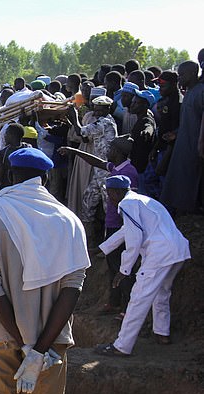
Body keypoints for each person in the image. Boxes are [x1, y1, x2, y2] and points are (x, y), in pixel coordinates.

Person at [0, 148, 90, 394]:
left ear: (11, 176)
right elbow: (73, 289)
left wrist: (24, 344)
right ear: (45, 179)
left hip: (0, 333)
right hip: (51, 338)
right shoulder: (70, 222)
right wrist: (39, 350)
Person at [96, 175, 190, 356]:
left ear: (115, 192)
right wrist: (103, 248)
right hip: (178, 251)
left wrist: (124, 269)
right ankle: (162, 333)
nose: (109, 198)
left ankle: (121, 346)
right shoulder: (142, 200)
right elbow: (127, 230)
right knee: (162, 292)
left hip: (160, 254)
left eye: (109, 194)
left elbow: (134, 238)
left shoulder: (127, 204)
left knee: (138, 298)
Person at [59, 135, 139, 313]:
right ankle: (114, 302)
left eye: (110, 149)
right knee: (113, 267)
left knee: (123, 269)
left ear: (117, 152)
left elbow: (130, 206)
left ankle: (126, 308)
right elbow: (98, 163)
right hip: (112, 226)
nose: (107, 152)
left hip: (121, 229)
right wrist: (73, 151)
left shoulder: (128, 173)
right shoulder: (118, 167)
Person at [68, 94, 118, 245]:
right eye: (95, 108)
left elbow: (81, 132)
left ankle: (109, 244)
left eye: (100, 109)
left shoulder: (105, 123)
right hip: (100, 170)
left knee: (109, 209)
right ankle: (89, 240)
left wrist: (74, 116)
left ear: (107, 109)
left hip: (106, 171)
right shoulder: (101, 122)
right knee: (88, 201)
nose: (96, 111)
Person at [161, 61, 204, 214]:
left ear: (193, 73)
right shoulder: (190, 92)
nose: (179, 78)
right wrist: (176, 133)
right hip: (184, 145)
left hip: (195, 149)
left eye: (182, 75)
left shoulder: (200, 92)